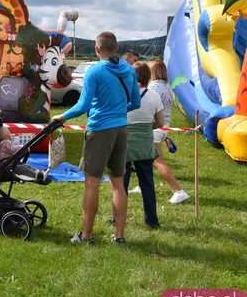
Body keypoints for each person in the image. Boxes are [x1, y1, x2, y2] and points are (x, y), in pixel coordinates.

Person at [52, 32, 140, 244]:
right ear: (116, 47)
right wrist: (118, 110)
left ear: (96, 49)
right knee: (118, 183)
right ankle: (119, 236)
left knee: (92, 183)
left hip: (100, 130)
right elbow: (135, 103)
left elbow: (83, 105)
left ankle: (86, 235)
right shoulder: (129, 70)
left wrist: (61, 116)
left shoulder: (95, 71)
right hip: (121, 129)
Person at [124, 62, 164, 228]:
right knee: (147, 184)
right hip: (145, 144)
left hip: (123, 143)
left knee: (121, 185)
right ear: (148, 77)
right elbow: (160, 122)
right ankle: (152, 220)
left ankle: (116, 218)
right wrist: (147, 126)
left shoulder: (123, 94)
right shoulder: (154, 95)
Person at [148, 60, 189, 204]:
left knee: (157, 160)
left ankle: (179, 191)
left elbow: (150, 108)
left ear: (152, 72)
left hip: (154, 128)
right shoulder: (166, 86)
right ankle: (143, 185)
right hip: (164, 126)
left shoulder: (153, 87)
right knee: (147, 160)